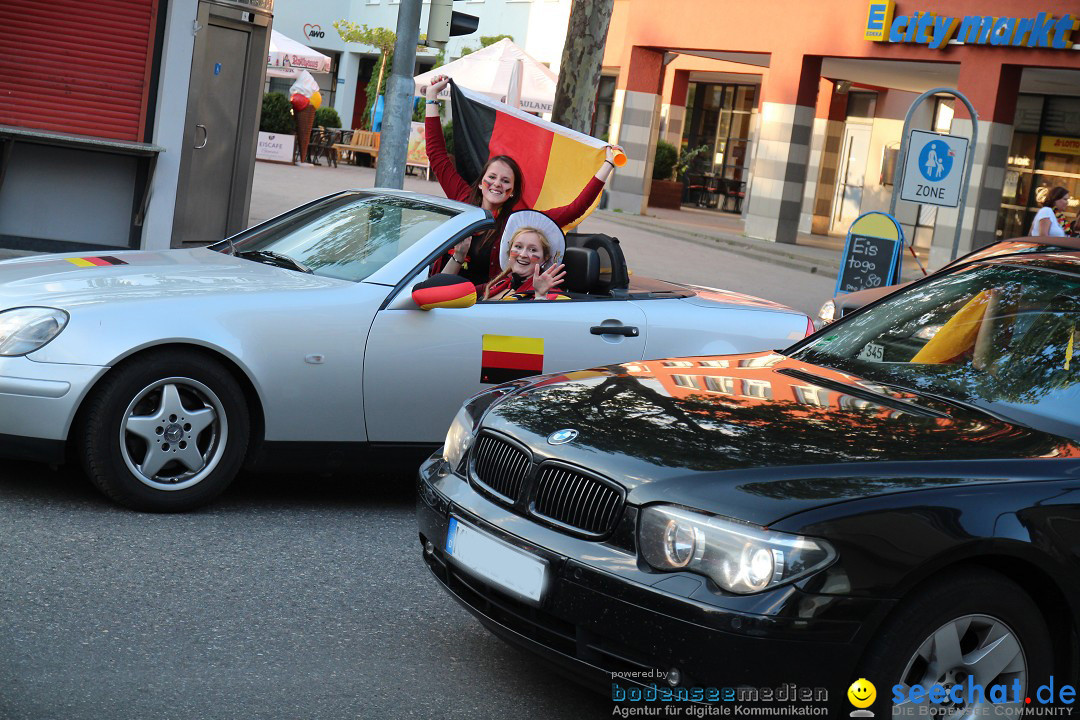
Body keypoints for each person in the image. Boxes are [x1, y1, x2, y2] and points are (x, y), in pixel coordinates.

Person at [422, 74, 621, 286]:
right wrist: (432, 98)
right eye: (492, 177)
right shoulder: (463, 198)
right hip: (437, 294)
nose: (498, 184)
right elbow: (436, 154)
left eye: (506, 181)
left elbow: (574, 209)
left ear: (513, 191)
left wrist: (607, 164)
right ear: (481, 183)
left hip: (481, 303)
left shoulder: (518, 223)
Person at [483, 210, 566, 301]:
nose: (523, 255)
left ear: (544, 259)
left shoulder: (551, 294)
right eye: (518, 247)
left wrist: (540, 297)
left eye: (533, 250)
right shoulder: (500, 284)